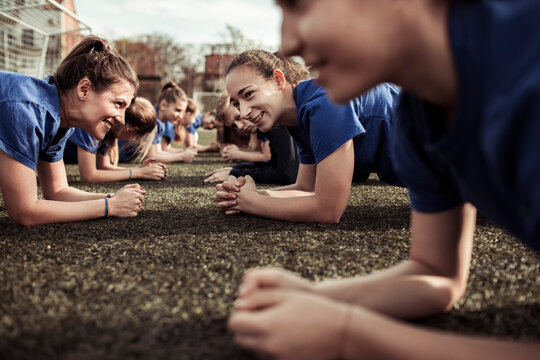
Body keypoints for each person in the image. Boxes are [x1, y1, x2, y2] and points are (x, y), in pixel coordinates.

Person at [226, 0, 540, 359]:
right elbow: (436, 274)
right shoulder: (419, 112)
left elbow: (327, 206)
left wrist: (351, 336)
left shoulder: (526, 57)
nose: (288, 43)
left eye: (301, 6)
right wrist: (317, 295)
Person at [215, 49, 401, 223]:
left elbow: (329, 209)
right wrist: (246, 195)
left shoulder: (325, 103)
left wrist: (250, 202)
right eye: (237, 104)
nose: (244, 112)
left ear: (278, 80)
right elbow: (305, 188)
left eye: (248, 94)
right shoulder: (299, 117)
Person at [0, 36, 145, 225]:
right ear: (84, 89)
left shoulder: (60, 120)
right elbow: (25, 212)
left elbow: (58, 191)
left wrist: (110, 197)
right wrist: (110, 206)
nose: (121, 119)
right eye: (118, 104)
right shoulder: (26, 109)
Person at [63, 97, 167, 182]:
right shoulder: (93, 126)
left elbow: (104, 166)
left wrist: (139, 170)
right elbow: (89, 176)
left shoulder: (109, 132)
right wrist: (139, 173)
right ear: (130, 130)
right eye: (138, 136)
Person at [145, 82, 196, 163]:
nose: (181, 116)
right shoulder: (151, 119)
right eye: (178, 110)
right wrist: (182, 156)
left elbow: (158, 152)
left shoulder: (160, 124)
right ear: (163, 105)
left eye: (183, 112)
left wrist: (184, 153)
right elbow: (152, 157)